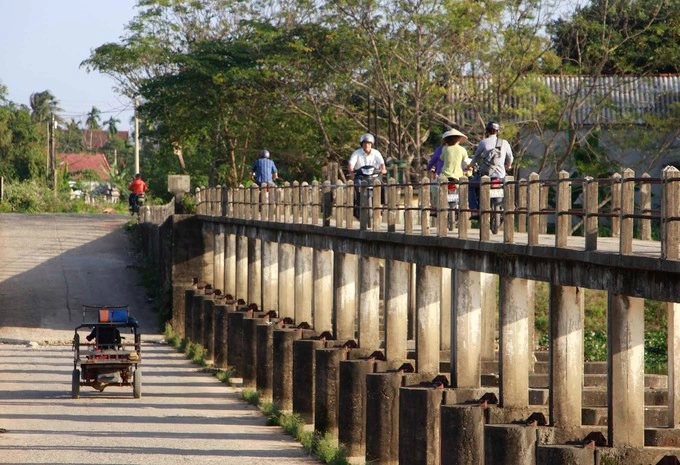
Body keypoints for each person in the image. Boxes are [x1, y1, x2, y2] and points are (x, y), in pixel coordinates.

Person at [468, 121, 513, 212]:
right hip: (500, 176)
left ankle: (474, 209)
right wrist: (508, 166)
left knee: (471, 185)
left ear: (487, 131)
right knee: (509, 187)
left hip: (486, 176)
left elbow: (476, 157)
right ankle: (508, 209)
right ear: (497, 131)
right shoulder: (504, 143)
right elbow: (510, 157)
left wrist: (470, 166)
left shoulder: (483, 143)